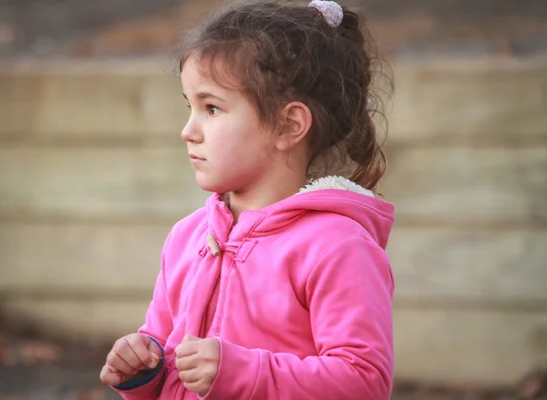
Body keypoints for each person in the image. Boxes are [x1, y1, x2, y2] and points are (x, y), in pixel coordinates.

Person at [100, 0, 395, 398]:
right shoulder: (187, 238)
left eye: (212, 108)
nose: (189, 130)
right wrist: (142, 365)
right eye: (191, 107)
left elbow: (363, 382)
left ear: (288, 125)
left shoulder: (338, 246)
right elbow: (165, 351)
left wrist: (242, 371)